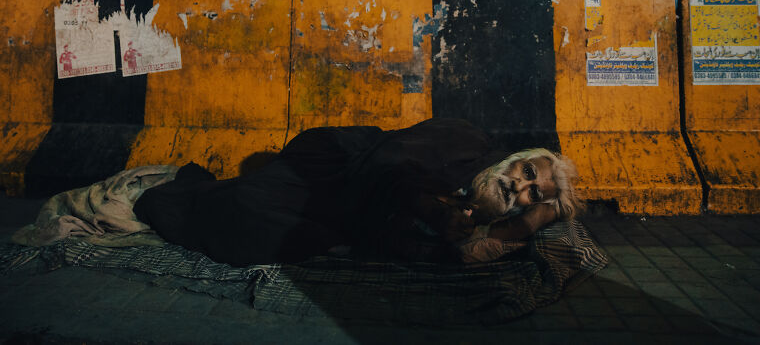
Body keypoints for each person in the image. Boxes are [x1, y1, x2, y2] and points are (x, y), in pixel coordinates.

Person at [132, 118, 582, 267]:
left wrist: (546, 207)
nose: (518, 185)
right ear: (514, 158)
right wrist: (428, 208)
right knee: (236, 208)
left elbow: (538, 217)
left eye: (529, 192)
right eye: (525, 171)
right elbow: (389, 164)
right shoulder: (465, 139)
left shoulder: (490, 212)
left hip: (349, 211)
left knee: (308, 240)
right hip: (331, 166)